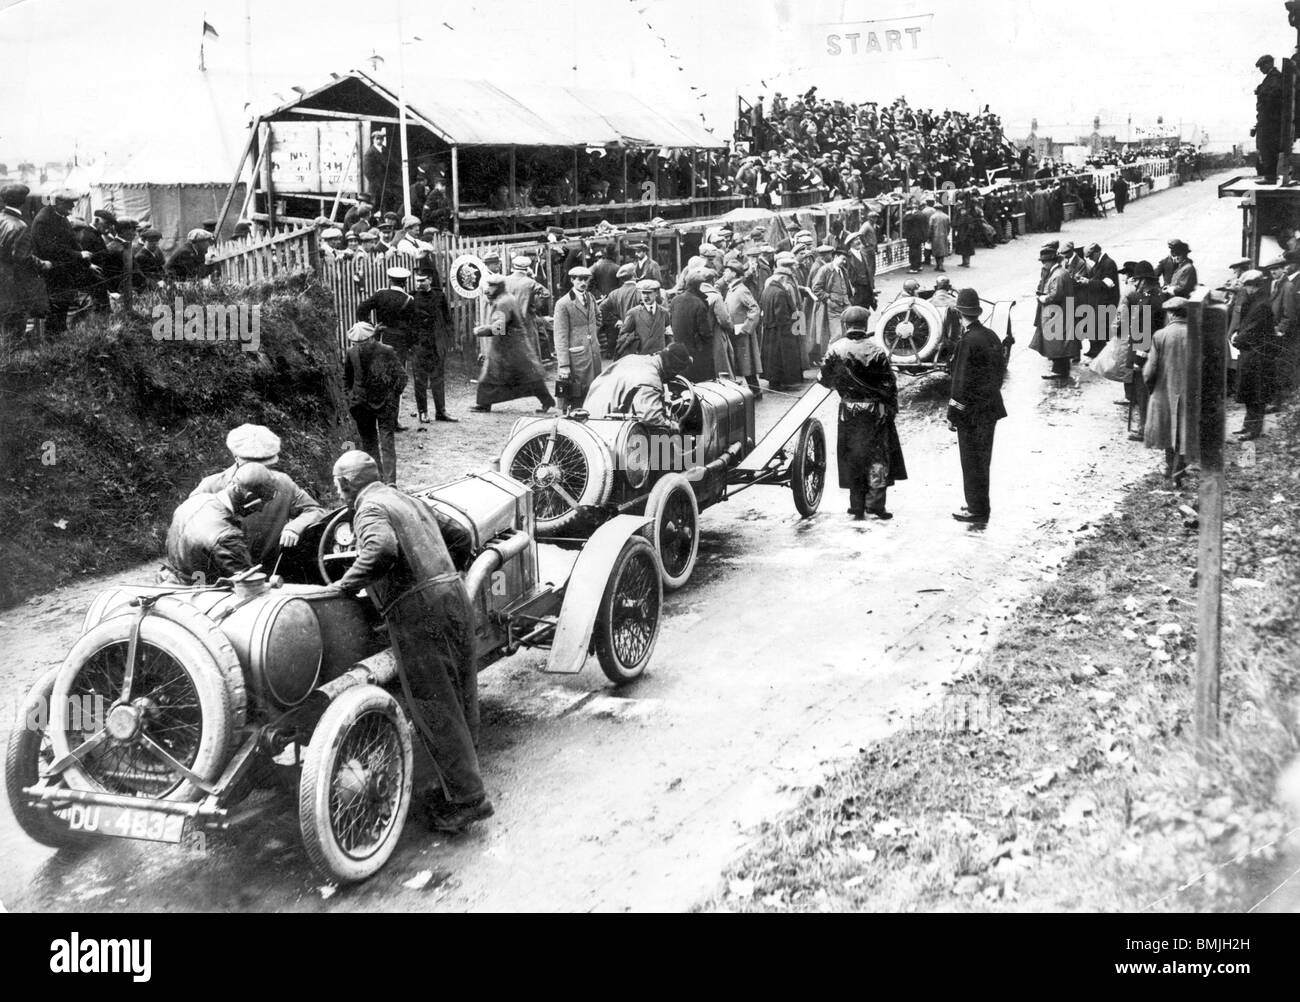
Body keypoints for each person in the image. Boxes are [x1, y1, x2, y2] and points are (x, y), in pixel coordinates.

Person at [329, 450, 491, 834]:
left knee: (435, 706)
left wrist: (343, 586)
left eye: (337, 486)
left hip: (418, 612)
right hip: (453, 596)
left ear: (347, 484)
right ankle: (464, 784)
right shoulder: (407, 498)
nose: (337, 494)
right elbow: (461, 536)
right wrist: (437, 573)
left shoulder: (367, 508)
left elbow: (381, 550)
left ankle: (469, 800)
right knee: (461, 694)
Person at [189, 424, 327, 567]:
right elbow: (188, 528)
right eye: (252, 463)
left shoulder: (283, 483)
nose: (259, 470)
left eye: (264, 464)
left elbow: (315, 510)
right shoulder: (211, 485)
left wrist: (295, 527)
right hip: (223, 573)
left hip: (270, 571)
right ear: (236, 457)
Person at [818, 305, 906, 519]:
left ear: (846, 325)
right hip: (876, 410)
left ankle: (856, 505)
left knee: (853, 456)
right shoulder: (876, 350)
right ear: (865, 325)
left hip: (848, 410)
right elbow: (889, 384)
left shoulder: (835, 349)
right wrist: (892, 408)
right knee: (877, 457)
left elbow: (823, 380)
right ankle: (875, 504)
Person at [161, 463, 279, 584]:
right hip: (200, 595)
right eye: (262, 504)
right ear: (249, 498)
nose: (260, 510)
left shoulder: (195, 501)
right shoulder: (227, 537)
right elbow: (248, 585)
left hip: (171, 582)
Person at [946, 288, 1006, 525]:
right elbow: (1000, 372)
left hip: (971, 413)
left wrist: (953, 413)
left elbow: (960, 383)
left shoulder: (967, 341)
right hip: (990, 407)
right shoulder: (990, 335)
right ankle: (979, 504)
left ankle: (976, 509)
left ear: (959, 314)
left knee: (971, 461)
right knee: (983, 459)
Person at [471, 273, 555, 414]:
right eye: (489, 285)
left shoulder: (503, 302)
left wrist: (481, 330)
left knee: (498, 374)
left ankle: (484, 404)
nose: (488, 289)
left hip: (510, 346)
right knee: (526, 376)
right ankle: (484, 403)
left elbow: (499, 328)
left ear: (499, 287)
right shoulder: (507, 298)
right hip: (512, 345)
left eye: (492, 286)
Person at [343, 321, 406, 485]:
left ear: (372, 338)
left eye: (363, 342)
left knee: (387, 443)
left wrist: (392, 397)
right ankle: (378, 480)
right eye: (356, 343)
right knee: (369, 443)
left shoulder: (386, 351)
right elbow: (346, 378)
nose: (359, 346)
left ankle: (391, 482)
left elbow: (401, 377)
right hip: (361, 405)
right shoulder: (351, 353)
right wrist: (351, 398)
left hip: (385, 404)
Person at [1143, 297, 1195, 485]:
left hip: (1165, 390)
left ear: (1171, 314)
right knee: (1183, 430)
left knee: (1167, 428)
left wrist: (1151, 387)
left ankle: (1169, 467)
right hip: (1190, 392)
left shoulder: (1160, 335)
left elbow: (1151, 369)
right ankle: (1178, 471)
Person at [583, 343, 694, 428]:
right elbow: (650, 418)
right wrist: (672, 425)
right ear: (672, 369)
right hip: (605, 426)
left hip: (588, 415)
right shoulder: (651, 379)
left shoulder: (632, 358)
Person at [31, 190, 91, 334]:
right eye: (68, 205)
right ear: (57, 203)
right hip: (51, 271)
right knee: (55, 307)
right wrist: (78, 255)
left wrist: (86, 261)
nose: (71, 209)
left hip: (63, 270)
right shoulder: (43, 220)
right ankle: (53, 339)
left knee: (63, 305)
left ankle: (60, 334)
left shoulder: (61, 216)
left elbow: (73, 241)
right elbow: (50, 249)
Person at [1117, 261, 1164, 441]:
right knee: (1144, 392)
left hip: (1144, 354)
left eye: (1136, 280)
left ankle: (1145, 429)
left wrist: (1139, 355)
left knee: (1143, 392)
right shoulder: (1152, 296)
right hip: (1146, 351)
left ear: (1143, 280)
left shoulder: (1149, 300)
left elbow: (1147, 330)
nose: (1134, 283)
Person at [1232, 270, 1278, 440]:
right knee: (1251, 391)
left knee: (1257, 393)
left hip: (1258, 354)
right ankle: (1248, 425)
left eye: (1248, 285)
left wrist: (1237, 339)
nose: (1246, 289)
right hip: (1252, 352)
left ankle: (1254, 429)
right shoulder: (1255, 302)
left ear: (1254, 286)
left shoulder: (1261, 305)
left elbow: (1253, 329)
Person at [0, 183, 49, 341]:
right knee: (14, 327)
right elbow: (24, 259)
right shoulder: (20, 226)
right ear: (23, 201)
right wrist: (43, 264)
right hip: (12, 284)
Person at [410, 267, 457, 423]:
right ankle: (423, 412)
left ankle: (441, 412)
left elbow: (447, 320)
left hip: (436, 345)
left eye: (422, 280)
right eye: (417, 280)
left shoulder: (439, 296)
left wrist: (447, 341)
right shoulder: (411, 297)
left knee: (438, 379)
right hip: (419, 345)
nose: (419, 283)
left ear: (429, 280)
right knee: (420, 381)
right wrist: (412, 343)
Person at [552, 265, 603, 409]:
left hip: (592, 353)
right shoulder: (563, 304)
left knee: (592, 391)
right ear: (572, 280)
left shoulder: (590, 297)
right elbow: (560, 336)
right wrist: (564, 365)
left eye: (586, 279)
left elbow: (598, 317)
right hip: (576, 357)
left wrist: (592, 334)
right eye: (579, 279)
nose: (583, 283)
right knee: (574, 394)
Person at [1030, 242, 1077, 380]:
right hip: (1062, 311)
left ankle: (1058, 371)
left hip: (1058, 313)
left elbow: (1055, 295)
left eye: (1045, 262)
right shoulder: (1061, 272)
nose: (1043, 265)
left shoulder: (1057, 275)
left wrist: (1043, 298)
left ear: (1051, 261)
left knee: (1057, 343)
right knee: (1061, 342)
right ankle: (1062, 369)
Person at [760, 252, 805, 389]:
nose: (787, 282)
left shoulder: (768, 290)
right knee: (780, 359)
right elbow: (782, 315)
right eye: (786, 279)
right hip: (779, 331)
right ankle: (780, 382)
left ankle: (774, 381)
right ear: (782, 278)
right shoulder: (780, 292)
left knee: (771, 359)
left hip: (769, 329)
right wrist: (790, 328)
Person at [724, 260, 762, 397]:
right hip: (734, 333)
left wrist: (746, 328)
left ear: (734, 273)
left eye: (727, 271)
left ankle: (756, 392)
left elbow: (755, 309)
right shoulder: (732, 289)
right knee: (741, 363)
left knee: (747, 364)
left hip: (742, 334)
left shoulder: (741, 290)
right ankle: (752, 392)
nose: (724, 273)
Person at [670, 270, 716, 383]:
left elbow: (671, 322)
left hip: (679, 348)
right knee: (701, 382)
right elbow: (705, 332)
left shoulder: (675, 300)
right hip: (697, 350)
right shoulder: (699, 303)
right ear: (699, 286)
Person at [503, 254, 551, 361]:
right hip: (527, 318)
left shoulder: (505, 280)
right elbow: (546, 294)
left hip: (509, 319)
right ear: (526, 268)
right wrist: (536, 305)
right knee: (531, 346)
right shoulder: (530, 282)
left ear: (514, 267)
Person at [810, 245, 852, 363]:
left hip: (845, 306)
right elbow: (816, 288)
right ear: (836, 256)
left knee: (846, 334)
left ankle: (841, 359)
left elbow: (846, 288)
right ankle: (829, 361)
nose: (844, 262)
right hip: (833, 307)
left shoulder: (843, 271)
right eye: (843, 259)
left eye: (846, 260)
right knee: (836, 334)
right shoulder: (825, 269)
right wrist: (828, 300)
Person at [1082, 242, 1120, 358]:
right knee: (1095, 326)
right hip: (1098, 301)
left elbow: (1108, 284)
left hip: (1106, 301)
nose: (1090, 259)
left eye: (1091, 256)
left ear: (1097, 252)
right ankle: (1094, 349)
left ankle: (1100, 353)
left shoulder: (1108, 263)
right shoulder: (1099, 263)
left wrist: (1089, 282)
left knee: (1101, 329)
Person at [1254, 55, 1285, 185]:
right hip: (1267, 119)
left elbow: (1271, 98)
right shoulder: (1271, 78)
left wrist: (1260, 91)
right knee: (1265, 147)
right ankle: (1269, 175)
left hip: (1271, 120)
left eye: (1262, 66)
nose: (1261, 69)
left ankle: (1270, 177)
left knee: (1268, 147)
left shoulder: (1275, 78)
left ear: (1269, 64)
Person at [617, 279, 668, 356]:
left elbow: (669, 334)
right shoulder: (633, 313)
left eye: (649, 293)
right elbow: (622, 336)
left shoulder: (664, 312)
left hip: (659, 356)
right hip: (642, 357)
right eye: (643, 293)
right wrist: (634, 339)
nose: (645, 296)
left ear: (656, 293)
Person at [362, 129, 396, 214]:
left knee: (387, 204)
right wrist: (377, 182)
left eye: (381, 138)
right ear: (373, 139)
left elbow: (393, 164)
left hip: (387, 184)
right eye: (377, 138)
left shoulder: (385, 150)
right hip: (376, 185)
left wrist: (391, 179)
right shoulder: (370, 153)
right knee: (375, 205)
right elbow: (367, 171)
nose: (379, 140)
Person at [902, 200, 928, 273]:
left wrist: (907, 214)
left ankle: (914, 268)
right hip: (920, 236)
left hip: (913, 237)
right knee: (918, 251)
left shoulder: (913, 216)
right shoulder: (922, 214)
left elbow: (905, 220)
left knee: (913, 252)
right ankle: (919, 265)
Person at [929, 202, 952, 273]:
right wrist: (946, 234)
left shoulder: (933, 217)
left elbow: (930, 227)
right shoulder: (946, 216)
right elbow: (949, 227)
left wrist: (929, 236)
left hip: (935, 236)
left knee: (936, 251)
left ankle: (938, 265)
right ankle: (940, 264)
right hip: (943, 235)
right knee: (942, 251)